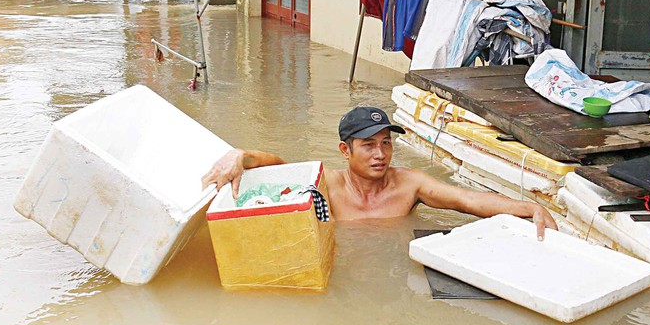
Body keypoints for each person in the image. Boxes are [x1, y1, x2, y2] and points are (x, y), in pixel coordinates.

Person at [202, 106, 558, 239]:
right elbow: (281, 169)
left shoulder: (410, 184)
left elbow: (466, 200)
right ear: (346, 150)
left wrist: (529, 208)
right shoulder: (325, 184)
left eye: (386, 143)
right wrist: (241, 155)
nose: (380, 154)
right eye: (368, 145)